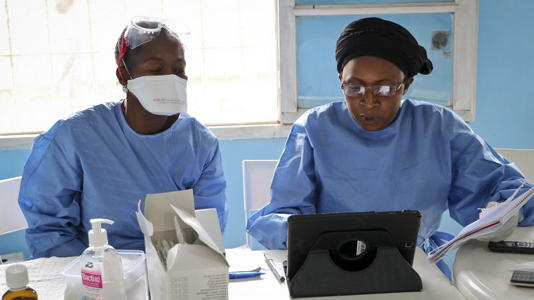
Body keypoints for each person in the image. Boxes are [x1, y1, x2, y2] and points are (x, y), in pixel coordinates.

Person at [247, 17, 534, 276]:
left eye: (384, 89)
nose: (368, 101)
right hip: (334, 265)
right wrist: (307, 236)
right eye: (354, 88)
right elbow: (285, 211)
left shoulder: (439, 126)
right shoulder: (314, 127)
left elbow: (504, 191)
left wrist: (504, 213)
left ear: (406, 85)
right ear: (340, 82)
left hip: (417, 266)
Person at [18, 17, 228, 258]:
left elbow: (207, 229)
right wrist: (104, 273)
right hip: (96, 274)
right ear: (123, 74)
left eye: (179, 69)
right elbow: (49, 232)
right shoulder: (76, 137)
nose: (171, 78)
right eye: (155, 70)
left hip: (173, 272)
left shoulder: (200, 143)